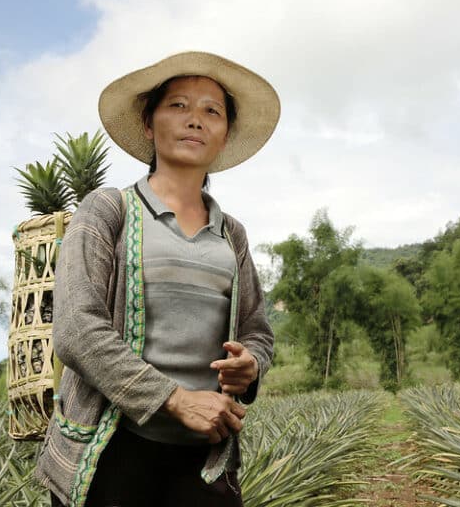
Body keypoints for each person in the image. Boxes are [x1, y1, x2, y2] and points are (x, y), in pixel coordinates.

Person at [35, 51, 280, 507]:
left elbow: (257, 330)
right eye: (178, 106)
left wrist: (251, 364)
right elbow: (75, 328)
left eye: (212, 111)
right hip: (110, 453)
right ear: (149, 125)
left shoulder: (233, 234)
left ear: (225, 135)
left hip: (204, 458)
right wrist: (174, 399)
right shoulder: (108, 211)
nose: (195, 120)